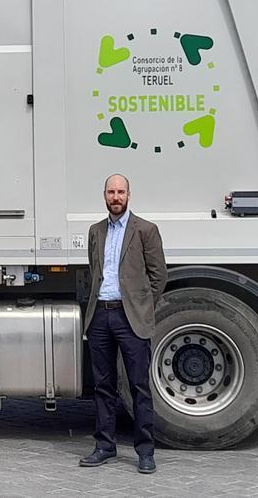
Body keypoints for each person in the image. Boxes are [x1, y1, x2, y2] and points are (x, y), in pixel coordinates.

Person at [79, 174, 167, 475]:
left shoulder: (146, 230)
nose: (116, 197)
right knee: (103, 386)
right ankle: (105, 446)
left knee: (139, 385)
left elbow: (159, 276)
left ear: (129, 194)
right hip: (101, 315)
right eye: (111, 192)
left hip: (131, 317)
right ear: (104, 195)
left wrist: (143, 307)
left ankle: (145, 451)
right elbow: (94, 272)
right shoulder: (95, 231)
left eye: (120, 192)